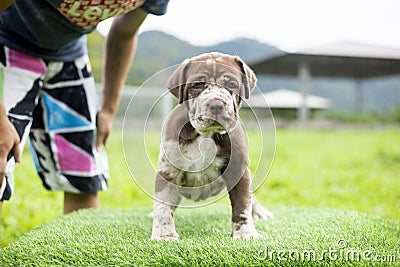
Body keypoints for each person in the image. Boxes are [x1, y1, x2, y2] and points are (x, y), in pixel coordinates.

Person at [0, 0, 170, 218]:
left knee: (84, 174)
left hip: (69, 50)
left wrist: (108, 109)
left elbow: (126, 32)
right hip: (8, 38)